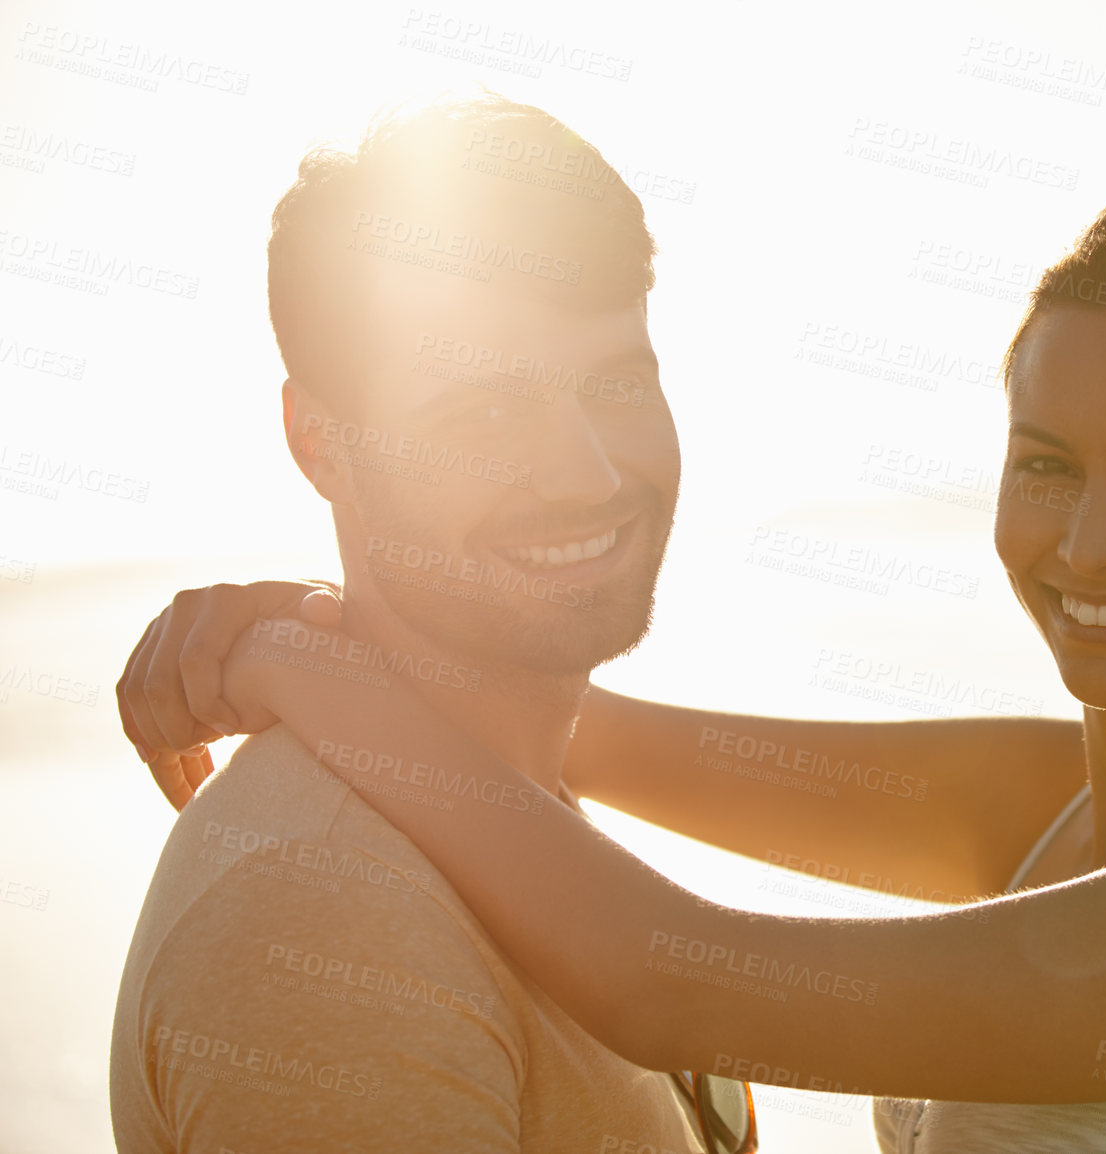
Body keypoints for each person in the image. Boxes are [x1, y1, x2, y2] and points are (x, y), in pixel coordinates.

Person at [121, 193, 1106, 1153]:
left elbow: (677, 982)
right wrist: (343, 621)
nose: (1089, 540)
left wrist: (289, 662)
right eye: (1048, 465)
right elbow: (564, 726)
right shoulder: (1052, 804)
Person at [109, 91, 784, 1154]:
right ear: (321, 442)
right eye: (487, 411)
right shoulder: (323, 924)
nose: (588, 473)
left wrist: (307, 648)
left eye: (614, 383)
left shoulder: (521, 802)